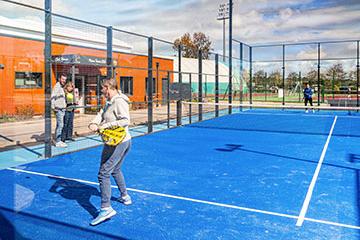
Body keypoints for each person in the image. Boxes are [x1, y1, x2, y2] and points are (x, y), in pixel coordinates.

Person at [88, 78, 132, 226]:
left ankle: (106, 208)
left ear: (108, 87)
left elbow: (125, 120)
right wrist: (95, 122)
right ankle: (125, 196)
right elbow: (102, 112)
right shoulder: (109, 101)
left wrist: (105, 126)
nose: (101, 91)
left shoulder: (119, 101)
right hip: (117, 141)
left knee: (103, 173)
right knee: (115, 170)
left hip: (118, 142)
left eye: (103, 88)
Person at [51, 73, 67, 147]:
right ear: (59, 79)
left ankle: (57, 140)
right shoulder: (57, 86)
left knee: (59, 125)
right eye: (63, 79)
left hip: (62, 109)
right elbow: (52, 96)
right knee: (60, 125)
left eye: (65, 79)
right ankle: (58, 141)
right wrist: (53, 106)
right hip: (59, 109)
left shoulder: (61, 87)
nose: (64, 81)